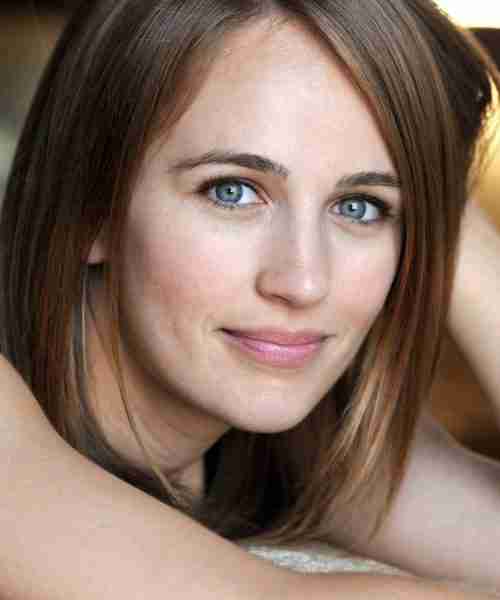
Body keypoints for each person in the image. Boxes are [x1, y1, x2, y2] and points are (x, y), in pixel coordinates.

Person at [0, 0, 499, 598]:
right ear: (90, 210)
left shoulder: (304, 442)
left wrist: (437, 184)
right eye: (231, 191)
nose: (303, 282)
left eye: (360, 206)